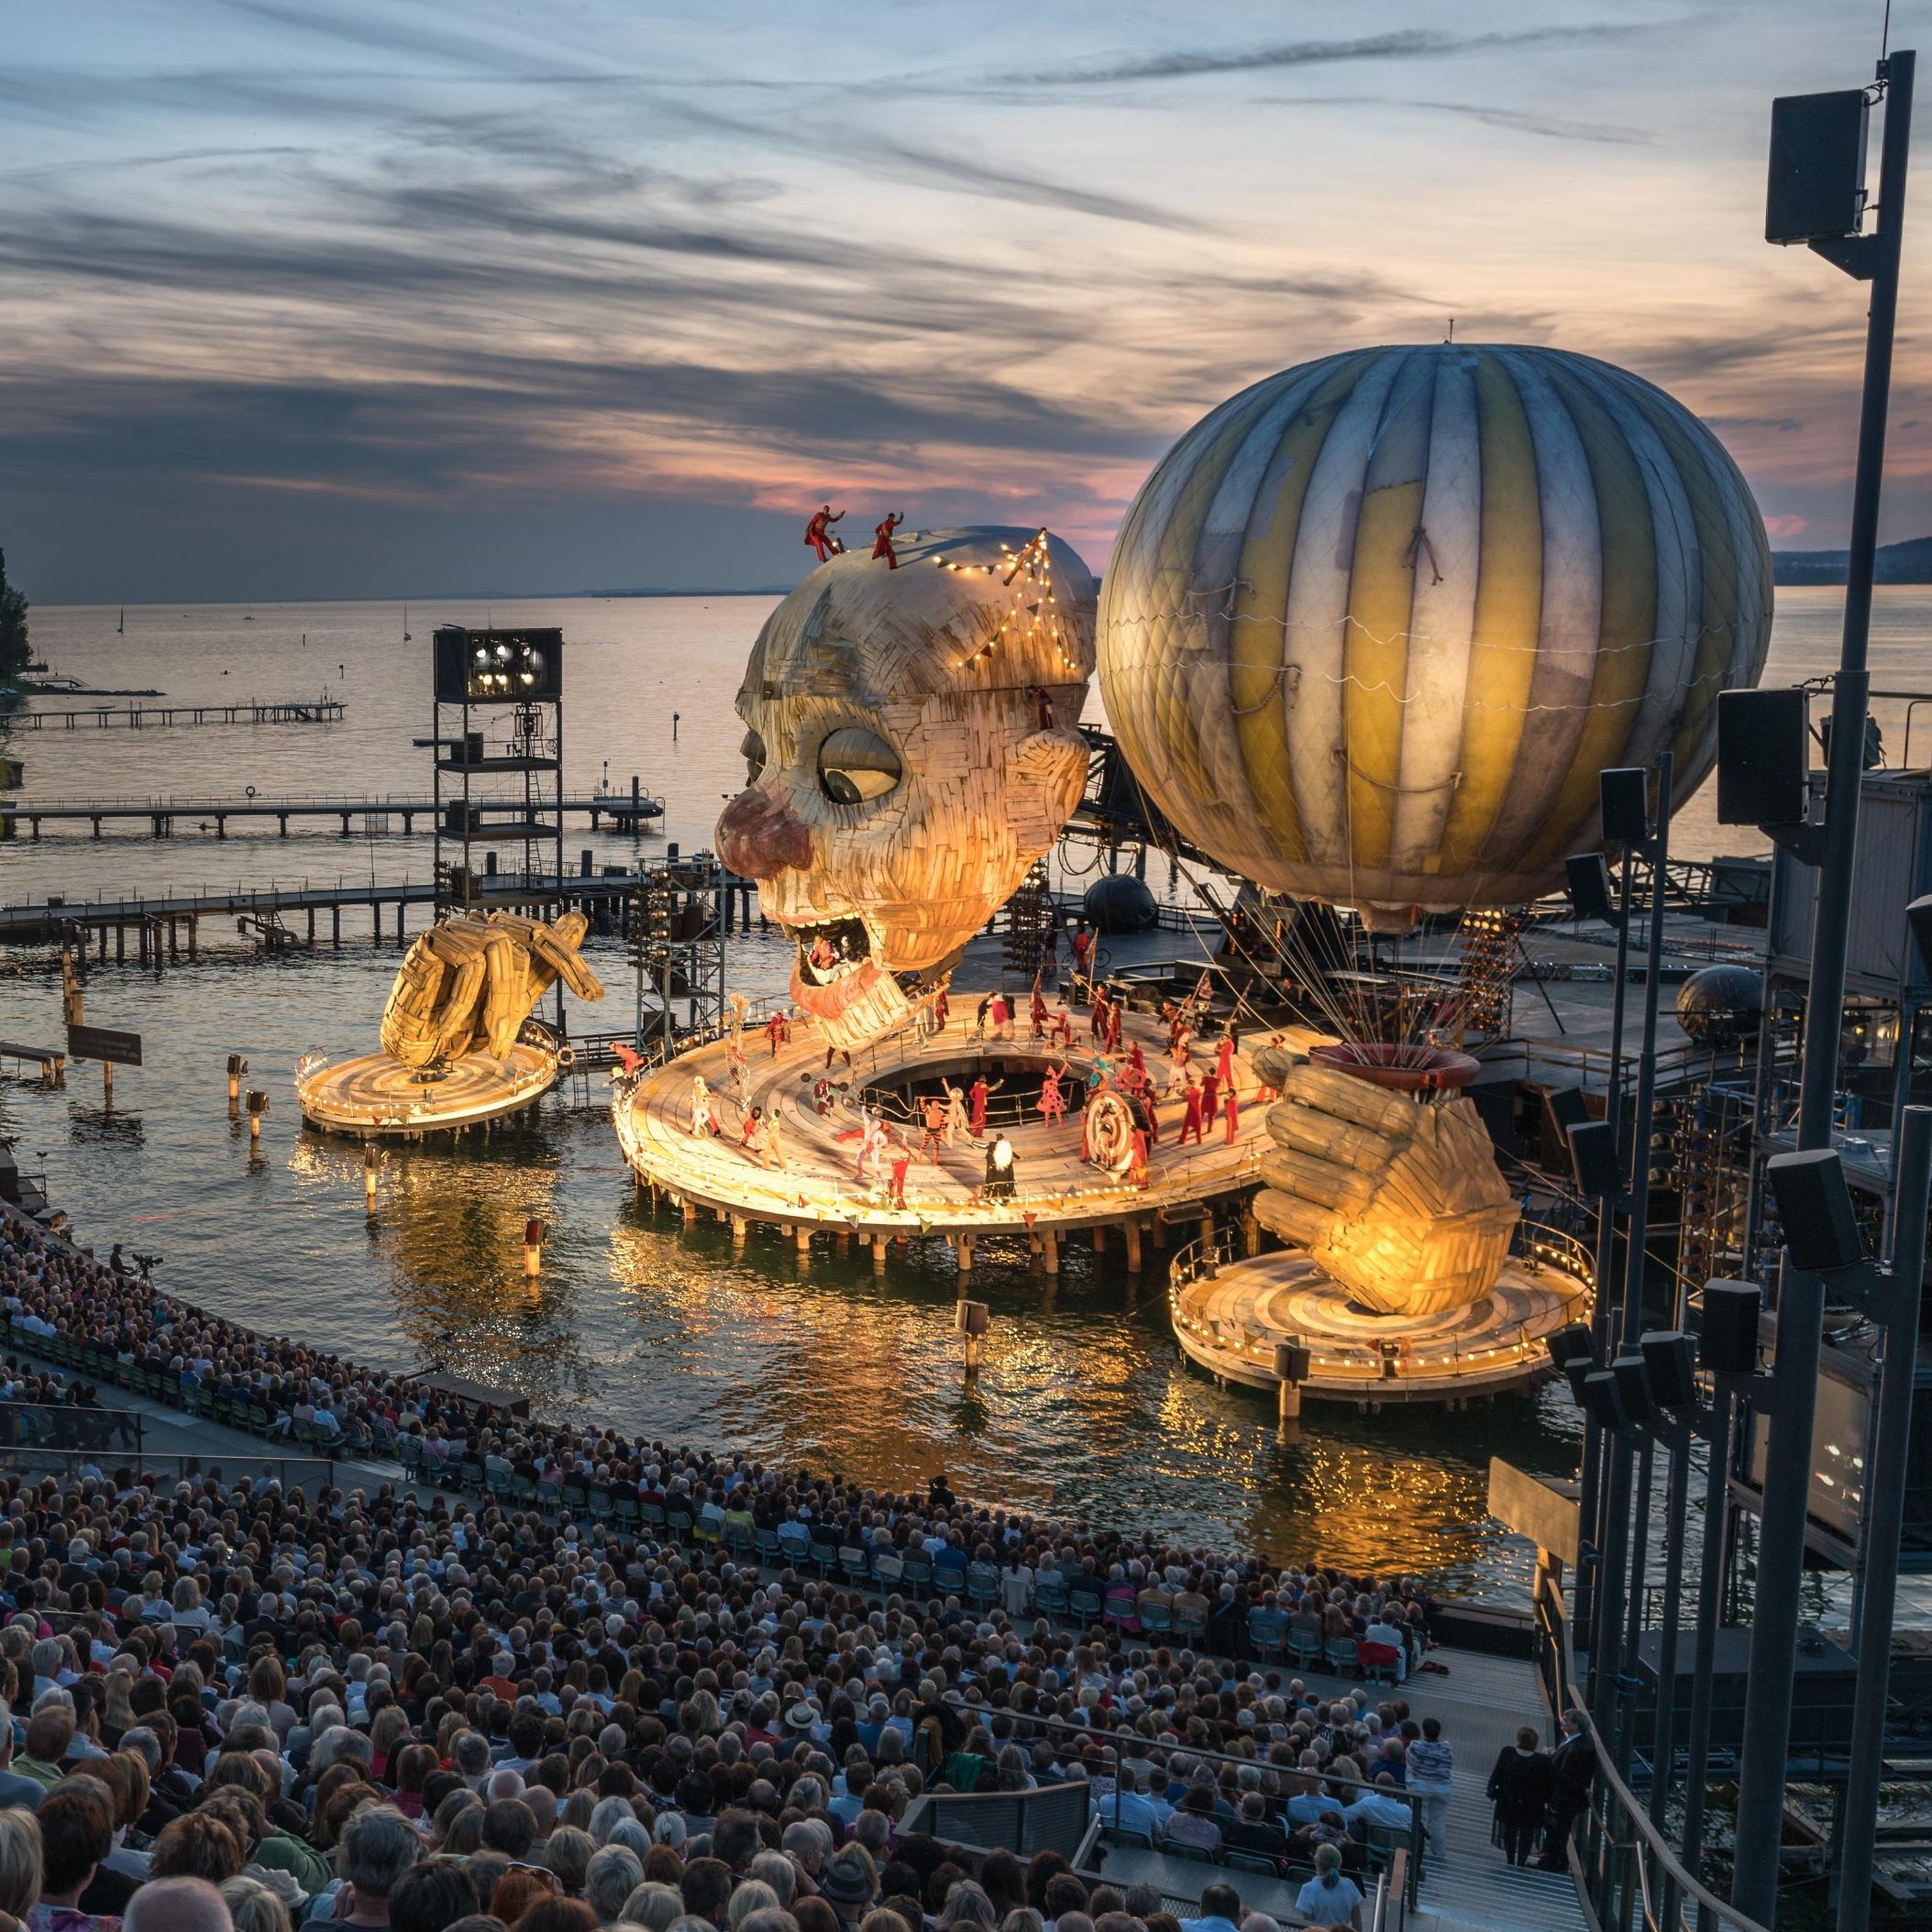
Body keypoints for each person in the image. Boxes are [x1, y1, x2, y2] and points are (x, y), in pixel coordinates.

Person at [1486, 1726, 1554, 1867]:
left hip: (1508, 1800)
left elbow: (1497, 1773)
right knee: (1527, 1833)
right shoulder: (1543, 1761)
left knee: (1509, 1830)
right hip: (1532, 1804)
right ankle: (1522, 1861)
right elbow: (1548, 1784)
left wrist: (1492, 1790)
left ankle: (1510, 1859)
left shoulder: (1507, 1752)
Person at [1540, 1711, 1595, 1871]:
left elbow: (1565, 1776)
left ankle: (1551, 1863)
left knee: (1557, 1831)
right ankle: (1559, 1860)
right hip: (1568, 1797)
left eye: (1566, 1721)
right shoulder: (1577, 1741)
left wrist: (1548, 1762)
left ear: (1575, 1725)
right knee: (1558, 1830)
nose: (1562, 1722)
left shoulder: (1574, 1749)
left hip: (1564, 1798)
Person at [1404, 1717, 1453, 1865]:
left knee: (1420, 1820)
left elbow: (1410, 1762)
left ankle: (1418, 1850)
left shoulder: (1415, 1746)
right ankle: (1438, 1854)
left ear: (1424, 1731)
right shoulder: (1447, 1748)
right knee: (1438, 1822)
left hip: (1419, 1787)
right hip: (1442, 1788)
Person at [1294, 1847, 1362, 1931]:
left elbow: (1309, 1926)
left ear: (1317, 1862)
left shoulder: (1308, 1889)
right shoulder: (1349, 1885)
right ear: (1339, 1863)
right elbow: (1358, 1926)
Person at [983, 1135, 1017, 1202]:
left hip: (1002, 1169)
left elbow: (1012, 1153)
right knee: (998, 1183)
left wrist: (973, 1142)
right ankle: (995, 1196)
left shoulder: (1004, 1145)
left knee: (1000, 1182)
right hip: (998, 1168)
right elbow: (1012, 1153)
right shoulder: (1000, 1145)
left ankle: (1003, 1196)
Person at [1177, 1078, 1205, 1148]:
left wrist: (1180, 1092)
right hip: (1197, 1110)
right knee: (1198, 1127)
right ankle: (1199, 1140)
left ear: (1190, 1086)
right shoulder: (1198, 1091)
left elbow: (1184, 1097)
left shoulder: (1189, 1093)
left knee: (1186, 1125)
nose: (1187, 1088)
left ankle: (1182, 1140)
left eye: (1188, 1086)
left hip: (1191, 1111)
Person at [888, 1138, 911, 1211]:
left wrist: (890, 1162)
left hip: (899, 1178)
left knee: (899, 1193)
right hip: (895, 1178)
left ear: (907, 1156)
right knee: (892, 1192)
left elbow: (894, 1165)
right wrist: (904, 1137)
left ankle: (902, 1206)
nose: (903, 1152)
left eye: (905, 1153)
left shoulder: (905, 1161)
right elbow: (905, 1147)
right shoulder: (902, 1158)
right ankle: (897, 1205)